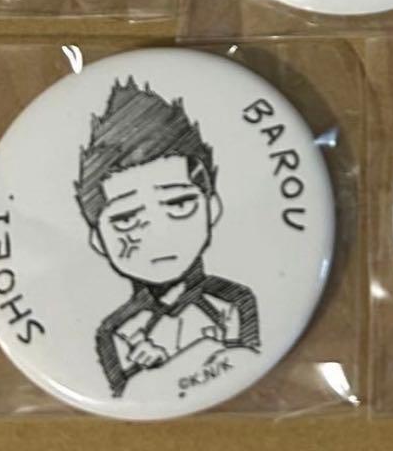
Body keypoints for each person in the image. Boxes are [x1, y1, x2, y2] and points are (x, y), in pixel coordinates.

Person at [75, 78, 259, 397]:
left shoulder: (234, 301)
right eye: (126, 219)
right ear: (99, 241)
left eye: (179, 204)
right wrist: (147, 376)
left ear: (212, 207)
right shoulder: (115, 332)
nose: (158, 232)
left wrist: (192, 362)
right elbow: (125, 401)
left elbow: (249, 371)